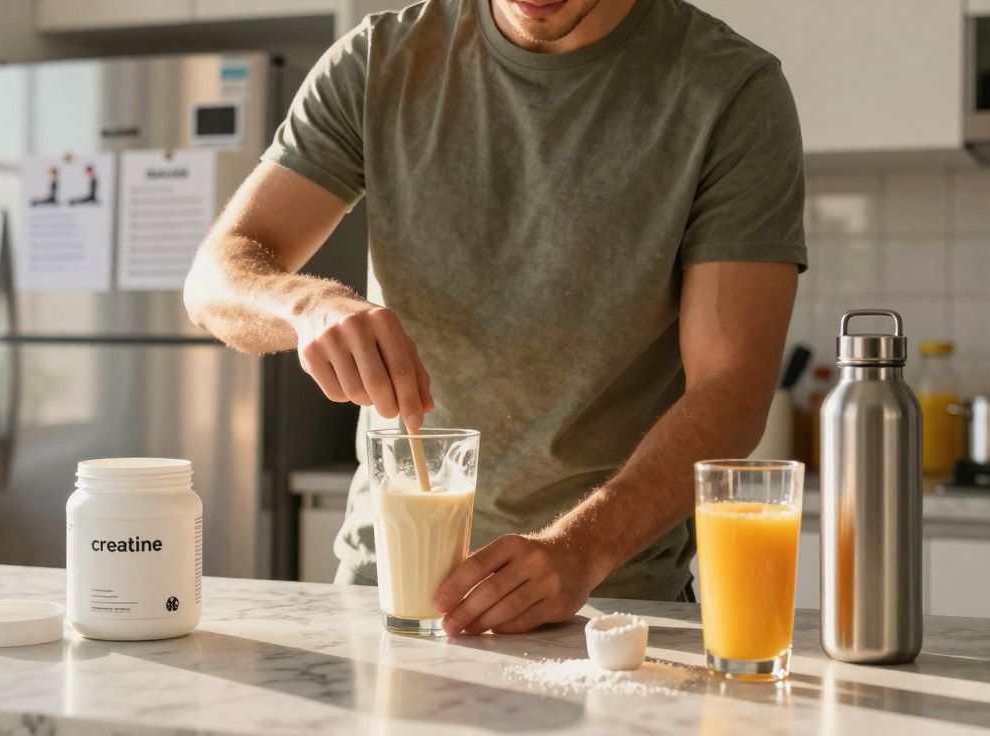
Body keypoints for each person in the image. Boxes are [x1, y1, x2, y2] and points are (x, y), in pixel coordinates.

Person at [184, 0, 805, 636]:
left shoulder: (728, 89)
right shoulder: (379, 60)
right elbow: (215, 278)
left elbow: (732, 385)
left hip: (608, 606)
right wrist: (306, 306)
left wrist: (582, 549)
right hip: (387, 590)